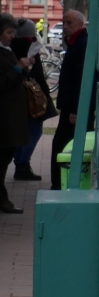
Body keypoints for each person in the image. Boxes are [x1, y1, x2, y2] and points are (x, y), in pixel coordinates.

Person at [10, 18, 57, 181]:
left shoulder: (10, 47)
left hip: (17, 97)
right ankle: (23, 164)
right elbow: (37, 75)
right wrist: (46, 96)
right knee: (35, 129)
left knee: (22, 130)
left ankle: (19, 163)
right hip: (32, 97)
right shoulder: (30, 48)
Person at [49, 9, 90, 191]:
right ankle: (60, 182)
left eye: (69, 23)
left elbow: (81, 79)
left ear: (80, 25)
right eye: (64, 23)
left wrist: (75, 109)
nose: (65, 27)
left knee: (63, 144)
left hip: (75, 108)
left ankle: (60, 184)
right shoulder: (76, 42)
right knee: (63, 143)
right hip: (71, 106)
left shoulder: (82, 44)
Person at [0, 13, 32, 213]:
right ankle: (3, 200)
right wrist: (18, 68)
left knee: (5, 157)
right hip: (4, 117)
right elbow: (3, 82)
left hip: (11, 116)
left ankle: (3, 199)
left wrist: (24, 69)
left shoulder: (6, 50)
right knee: (2, 158)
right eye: (9, 32)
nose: (12, 36)